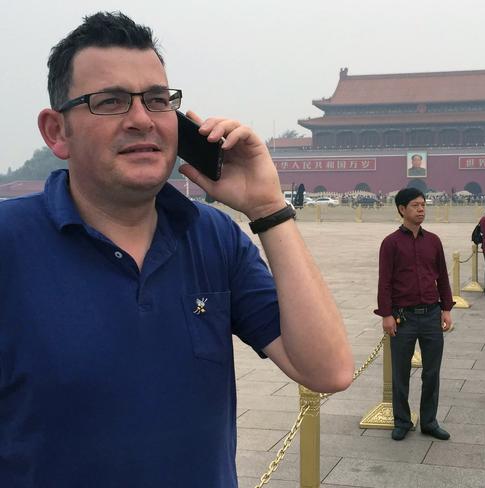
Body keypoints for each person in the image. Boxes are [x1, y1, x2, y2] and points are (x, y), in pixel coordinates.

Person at [0, 12, 353, 487]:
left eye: (157, 100)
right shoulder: (11, 243)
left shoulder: (214, 237)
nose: (142, 119)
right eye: (111, 102)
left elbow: (327, 369)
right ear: (56, 132)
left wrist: (268, 208)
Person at [375, 188, 453, 442]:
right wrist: (386, 315)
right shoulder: (391, 243)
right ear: (401, 209)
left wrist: (447, 309)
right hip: (403, 318)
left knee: (432, 372)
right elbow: (384, 282)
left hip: (431, 315)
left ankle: (429, 421)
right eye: (415, 205)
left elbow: (442, 275)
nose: (421, 209)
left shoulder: (434, 241)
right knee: (400, 372)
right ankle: (402, 421)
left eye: (423, 204)